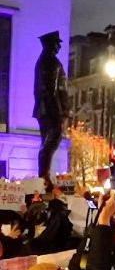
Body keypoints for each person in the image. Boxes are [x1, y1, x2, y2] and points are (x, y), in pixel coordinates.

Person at [33, 31, 69, 190]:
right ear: (50, 44)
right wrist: (59, 115)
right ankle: (44, 176)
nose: (59, 46)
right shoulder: (51, 62)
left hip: (45, 110)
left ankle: (44, 175)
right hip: (50, 111)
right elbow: (51, 91)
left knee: (47, 143)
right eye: (57, 43)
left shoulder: (44, 61)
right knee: (51, 142)